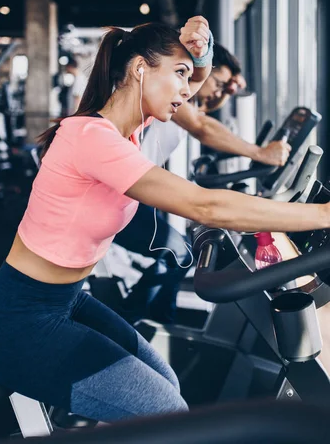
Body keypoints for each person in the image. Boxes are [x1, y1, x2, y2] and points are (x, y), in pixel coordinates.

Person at [0, 17, 330, 424]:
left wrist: (201, 49)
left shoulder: (131, 131)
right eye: (179, 75)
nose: (188, 91)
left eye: (189, 77)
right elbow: (203, 206)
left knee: (168, 385)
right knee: (167, 414)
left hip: (64, 301)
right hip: (16, 320)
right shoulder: (90, 136)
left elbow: (197, 85)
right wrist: (322, 215)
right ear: (140, 69)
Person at [114, 42, 290, 325]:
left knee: (178, 253)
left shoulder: (184, 102)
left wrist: (223, 88)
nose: (221, 90)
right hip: (116, 193)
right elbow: (202, 127)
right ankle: (125, 324)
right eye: (217, 81)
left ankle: (159, 321)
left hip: (131, 189)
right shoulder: (168, 93)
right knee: (179, 253)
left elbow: (203, 115)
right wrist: (260, 153)